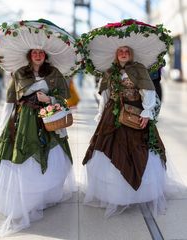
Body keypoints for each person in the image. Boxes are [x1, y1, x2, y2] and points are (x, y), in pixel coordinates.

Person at [0, 19, 82, 236]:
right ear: (29, 55)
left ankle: (44, 195)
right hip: (23, 122)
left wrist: (49, 99)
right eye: (34, 52)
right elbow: (10, 101)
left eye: (41, 52)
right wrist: (3, 127)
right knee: (20, 156)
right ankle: (25, 197)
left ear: (46, 55)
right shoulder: (19, 73)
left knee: (50, 157)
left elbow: (63, 99)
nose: (38, 55)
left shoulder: (55, 74)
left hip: (48, 121)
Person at [80, 19, 181, 217]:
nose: (124, 53)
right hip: (112, 117)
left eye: (126, 51)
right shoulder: (109, 73)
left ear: (131, 53)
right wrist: (101, 115)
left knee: (140, 150)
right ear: (116, 55)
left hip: (135, 115)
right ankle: (115, 193)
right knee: (107, 149)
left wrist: (147, 112)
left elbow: (149, 93)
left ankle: (138, 190)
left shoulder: (139, 69)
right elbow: (105, 96)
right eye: (120, 51)